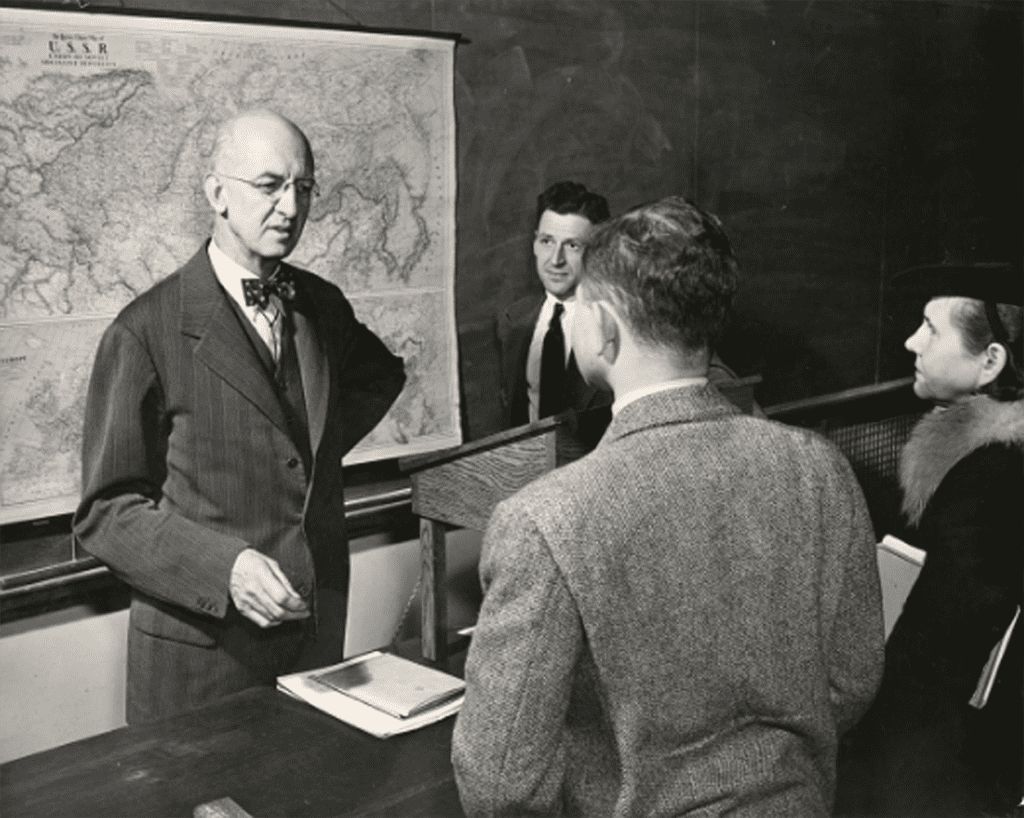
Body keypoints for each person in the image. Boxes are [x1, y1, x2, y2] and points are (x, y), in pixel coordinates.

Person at [453, 196, 885, 816]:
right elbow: (852, 680)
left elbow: (499, 783)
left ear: (602, 329)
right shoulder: (818, 467)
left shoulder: (544, 517)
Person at [73, 109, 406, 724]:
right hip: (201, 660)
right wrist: (224, 568)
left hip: (315, 639)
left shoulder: (322, 304)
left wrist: (309, 454)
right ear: (216, 194)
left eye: (303, 189)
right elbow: (106, 513)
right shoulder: (144, 330)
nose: (290, 207)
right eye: (269, 185)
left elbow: (381, 377)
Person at [836, 263, 1023, 817]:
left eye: (931, 328)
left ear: (991, 361)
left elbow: (952, 635)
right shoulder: (984, 458)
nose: (910, 341)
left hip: (935, 758)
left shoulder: (992, 475)